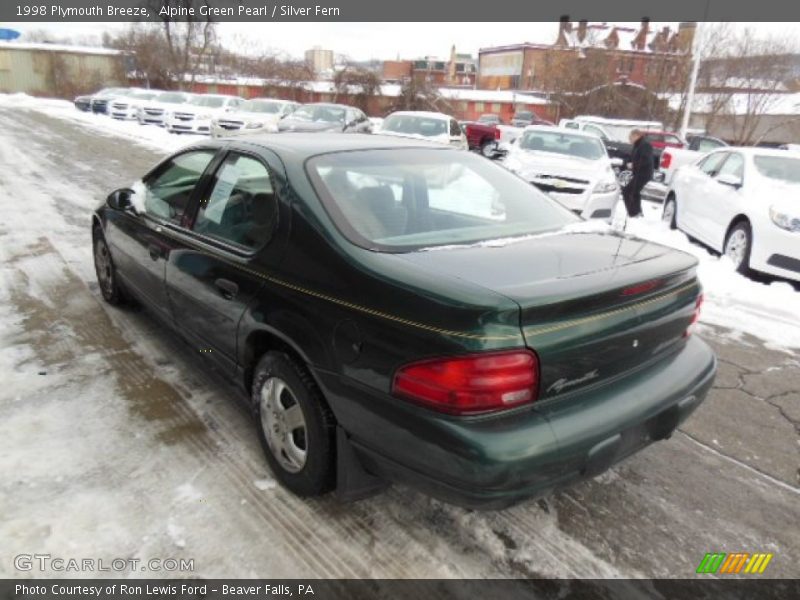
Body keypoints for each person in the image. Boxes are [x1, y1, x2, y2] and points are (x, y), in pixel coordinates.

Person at [622, 129, 654, 218]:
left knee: (627, 191)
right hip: (638, 173)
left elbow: (646, 159)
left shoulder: (645, 145)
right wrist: (626, 162)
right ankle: (637, 212)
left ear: (636, 135)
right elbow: (632, 157)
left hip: (643, 173)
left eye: (630, 137)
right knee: (635, 192)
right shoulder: (637, 145)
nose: (629, 139)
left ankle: (633, 213)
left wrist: (633, 165)